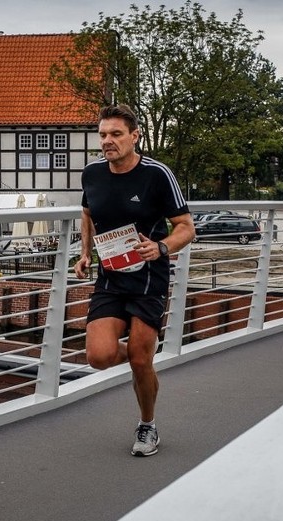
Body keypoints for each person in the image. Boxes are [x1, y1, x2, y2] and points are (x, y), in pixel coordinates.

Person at [74, 104, 195, 457]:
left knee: (142, 361)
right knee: (98, 356)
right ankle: (141, 355)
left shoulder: (157, 174)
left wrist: (161, 247)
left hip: (148, 277)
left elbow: (187, 228)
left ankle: (147, 425)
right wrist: (84, 253)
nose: (108, 142)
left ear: (134, 136)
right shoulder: (92, 174)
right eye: (103, 135)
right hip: (110, 274)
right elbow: (87, 214)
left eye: (116, 134)